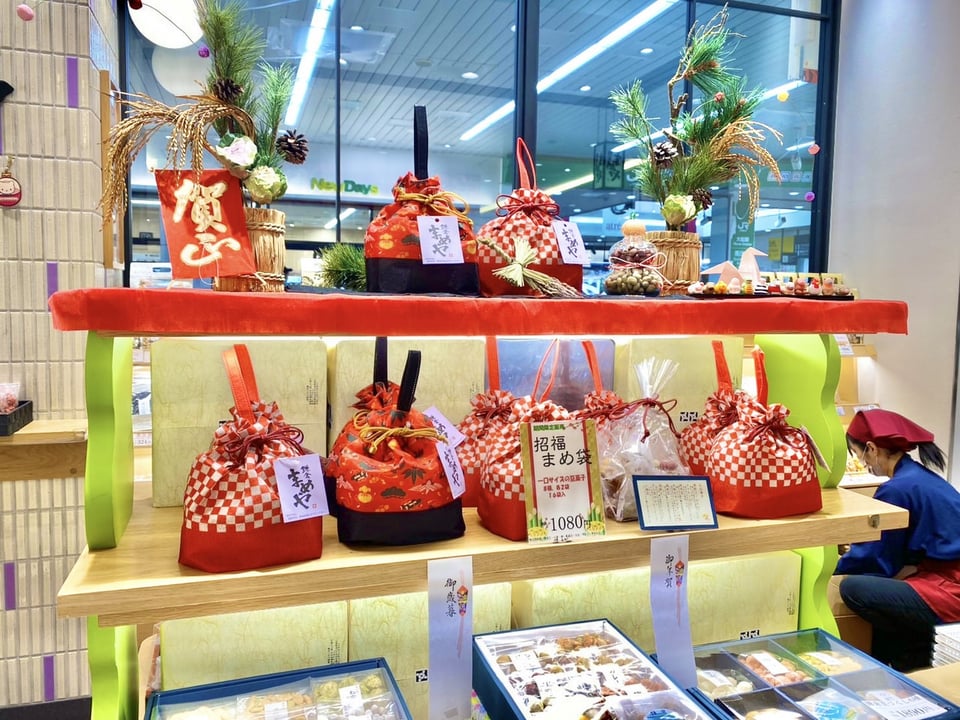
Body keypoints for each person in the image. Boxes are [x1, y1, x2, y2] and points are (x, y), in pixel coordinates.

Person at [837, 408, 960, 671]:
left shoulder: (896, 489)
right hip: (946, 573)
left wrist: (834, 566)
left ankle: (897, 659)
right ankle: (909, 657)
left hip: (950, 587)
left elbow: (876, 559)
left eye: (859, 454)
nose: (863, 463)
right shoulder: (917, 477)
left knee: (853, 588)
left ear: (871, 448)